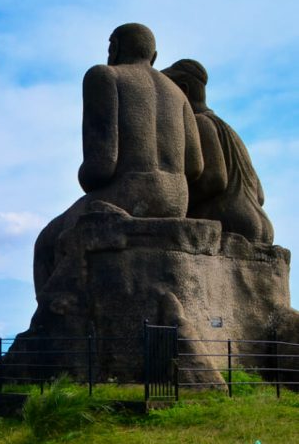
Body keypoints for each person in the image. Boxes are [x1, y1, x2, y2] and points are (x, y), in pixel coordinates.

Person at [33, 23, 202, 293]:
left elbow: (100, 166)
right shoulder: (178, 93)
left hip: (127, 194)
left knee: (47, 241)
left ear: (116, 48)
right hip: (176, 200)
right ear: (154, 56)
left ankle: (51, 326)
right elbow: (196, 166)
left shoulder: (105, 76)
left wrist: (85, 175)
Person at [161, 59, 273, 244]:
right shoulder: (231, 132)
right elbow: (259, 194)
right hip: (261, 224)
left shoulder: (200, 123)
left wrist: (177, 203)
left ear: (183, 90)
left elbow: (215, 178)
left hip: (231, 221)